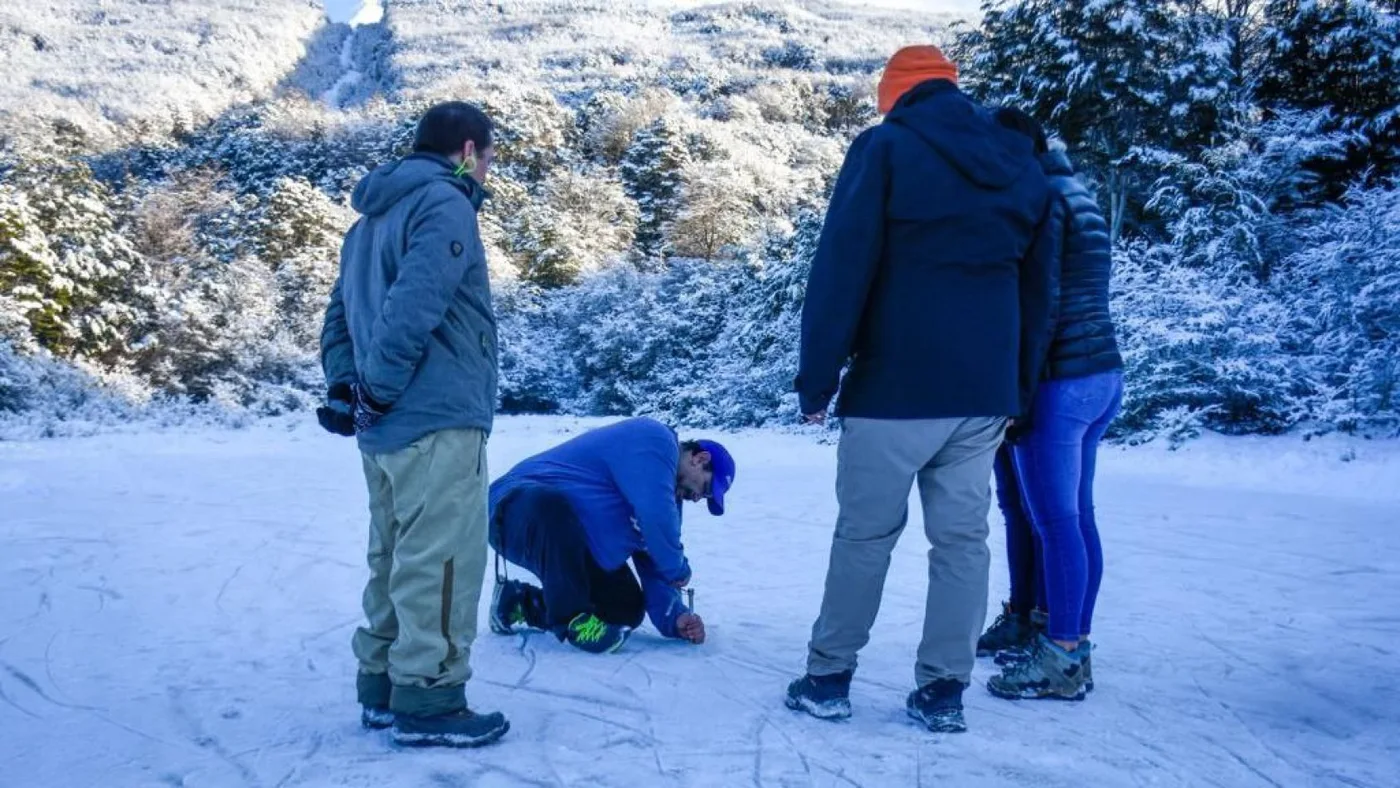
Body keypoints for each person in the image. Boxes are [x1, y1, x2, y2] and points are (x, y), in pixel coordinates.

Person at [784, 44, 1059, 735]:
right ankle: (943, 692)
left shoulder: (885, 150)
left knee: (865, 537)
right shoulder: (1022, 164)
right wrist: (1017, 390)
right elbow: (1038, 290)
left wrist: (817, 378)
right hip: (983, 394)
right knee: (962, 543)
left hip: (894, 387)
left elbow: (842, 267)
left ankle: (828, 678)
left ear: (895, 96)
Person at [318, 101, 509, 748]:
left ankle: (381, 684)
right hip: (435, 415)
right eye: (487, 158)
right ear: (465, 151)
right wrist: (379, 386)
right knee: (444, 559)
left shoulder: (368, 221)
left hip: (386, 427)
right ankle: (428, 697)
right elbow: (416, 303)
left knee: (394, 557)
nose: (487, 172)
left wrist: (349, 388)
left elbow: (339, 317)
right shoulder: (445, 203)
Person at [983, 107, 1124, 702]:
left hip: (1059, 378)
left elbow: (1038, 306)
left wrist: (1018, 391)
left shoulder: (1042, 200)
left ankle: (1063, 654)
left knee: (1055, 521)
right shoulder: (1076, 191)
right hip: (1099, 373)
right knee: (1066, 515)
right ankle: (1052, 632)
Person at [486, 417, 735, 654]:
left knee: (624, 609)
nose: (696, 499)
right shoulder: (654, 439)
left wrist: (677, 617)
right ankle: (572, 620)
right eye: (705, 489)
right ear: (700, 459)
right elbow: (657, 522)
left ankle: (518, 603)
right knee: (550, 505)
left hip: (571, 542)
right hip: (513, 509)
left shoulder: (666, 501)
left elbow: (656, 557)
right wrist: (679, 569)